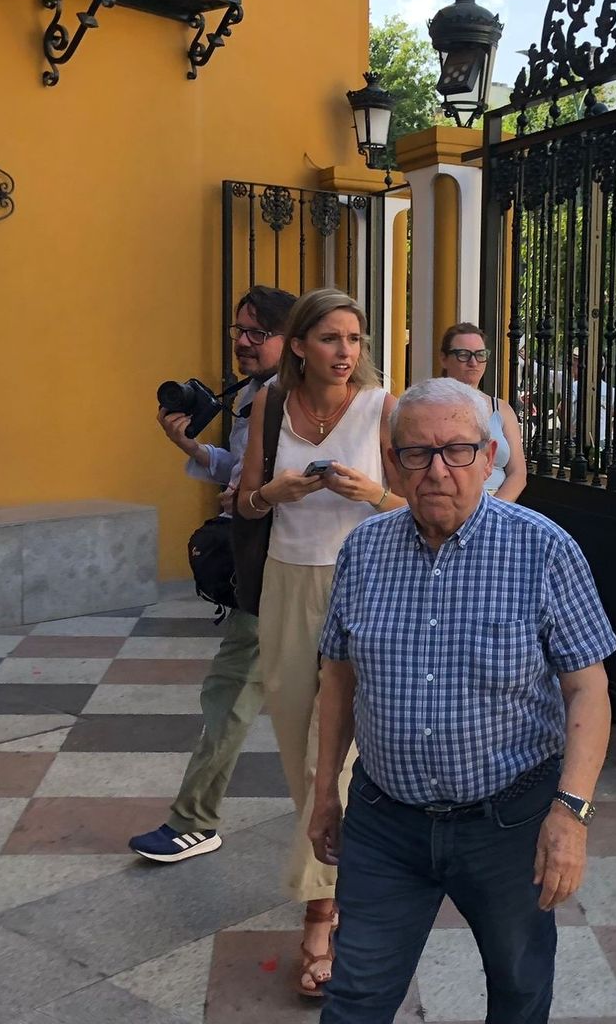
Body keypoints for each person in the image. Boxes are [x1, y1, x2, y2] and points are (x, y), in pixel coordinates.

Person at [308, 378, 616, 1023]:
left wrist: (571, 815)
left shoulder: (543, 549)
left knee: (517, 987)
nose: (437, 470)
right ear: (393, 462)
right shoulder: (364, 551)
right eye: (417, 454)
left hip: (507, 823)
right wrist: (323, 793)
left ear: (489, 457)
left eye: (457, 450)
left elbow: (588, 686)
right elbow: (338, 676)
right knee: (356, 993)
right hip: (384, 818)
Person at [234, 288, 404, 998]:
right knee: (300, 752)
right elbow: (243, 502)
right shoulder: (269, 404)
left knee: (332, 759)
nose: (346, 353)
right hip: (288, 587)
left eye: (356, 339)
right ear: (299, 344)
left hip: (364, 585)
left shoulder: (383, 407)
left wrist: (373, 495)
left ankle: (321, 917)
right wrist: (279, 493)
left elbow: (421, 501)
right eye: (332, 338)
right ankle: (343, 883)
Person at [130, 284, 295, 864]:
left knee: (233, 692)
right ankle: (194, 817)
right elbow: (244, 470)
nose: (243, 343)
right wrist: (194, 449)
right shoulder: (256, 394)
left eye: (257, 333)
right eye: (238, 331)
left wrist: (254, 495)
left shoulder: (293, 398)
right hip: (262, 564)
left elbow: (296, 481)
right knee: (239, 690)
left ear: (289, 339)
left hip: (283, 565)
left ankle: (194, 820)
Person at [438, 322, 527, 500]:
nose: (473, 362)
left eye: (480, 355)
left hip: (498, 507)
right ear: (444, 359)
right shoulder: (431, 408)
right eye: (463, 355)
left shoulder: (501, 409)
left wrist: (494, 511)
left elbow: (518, 474)